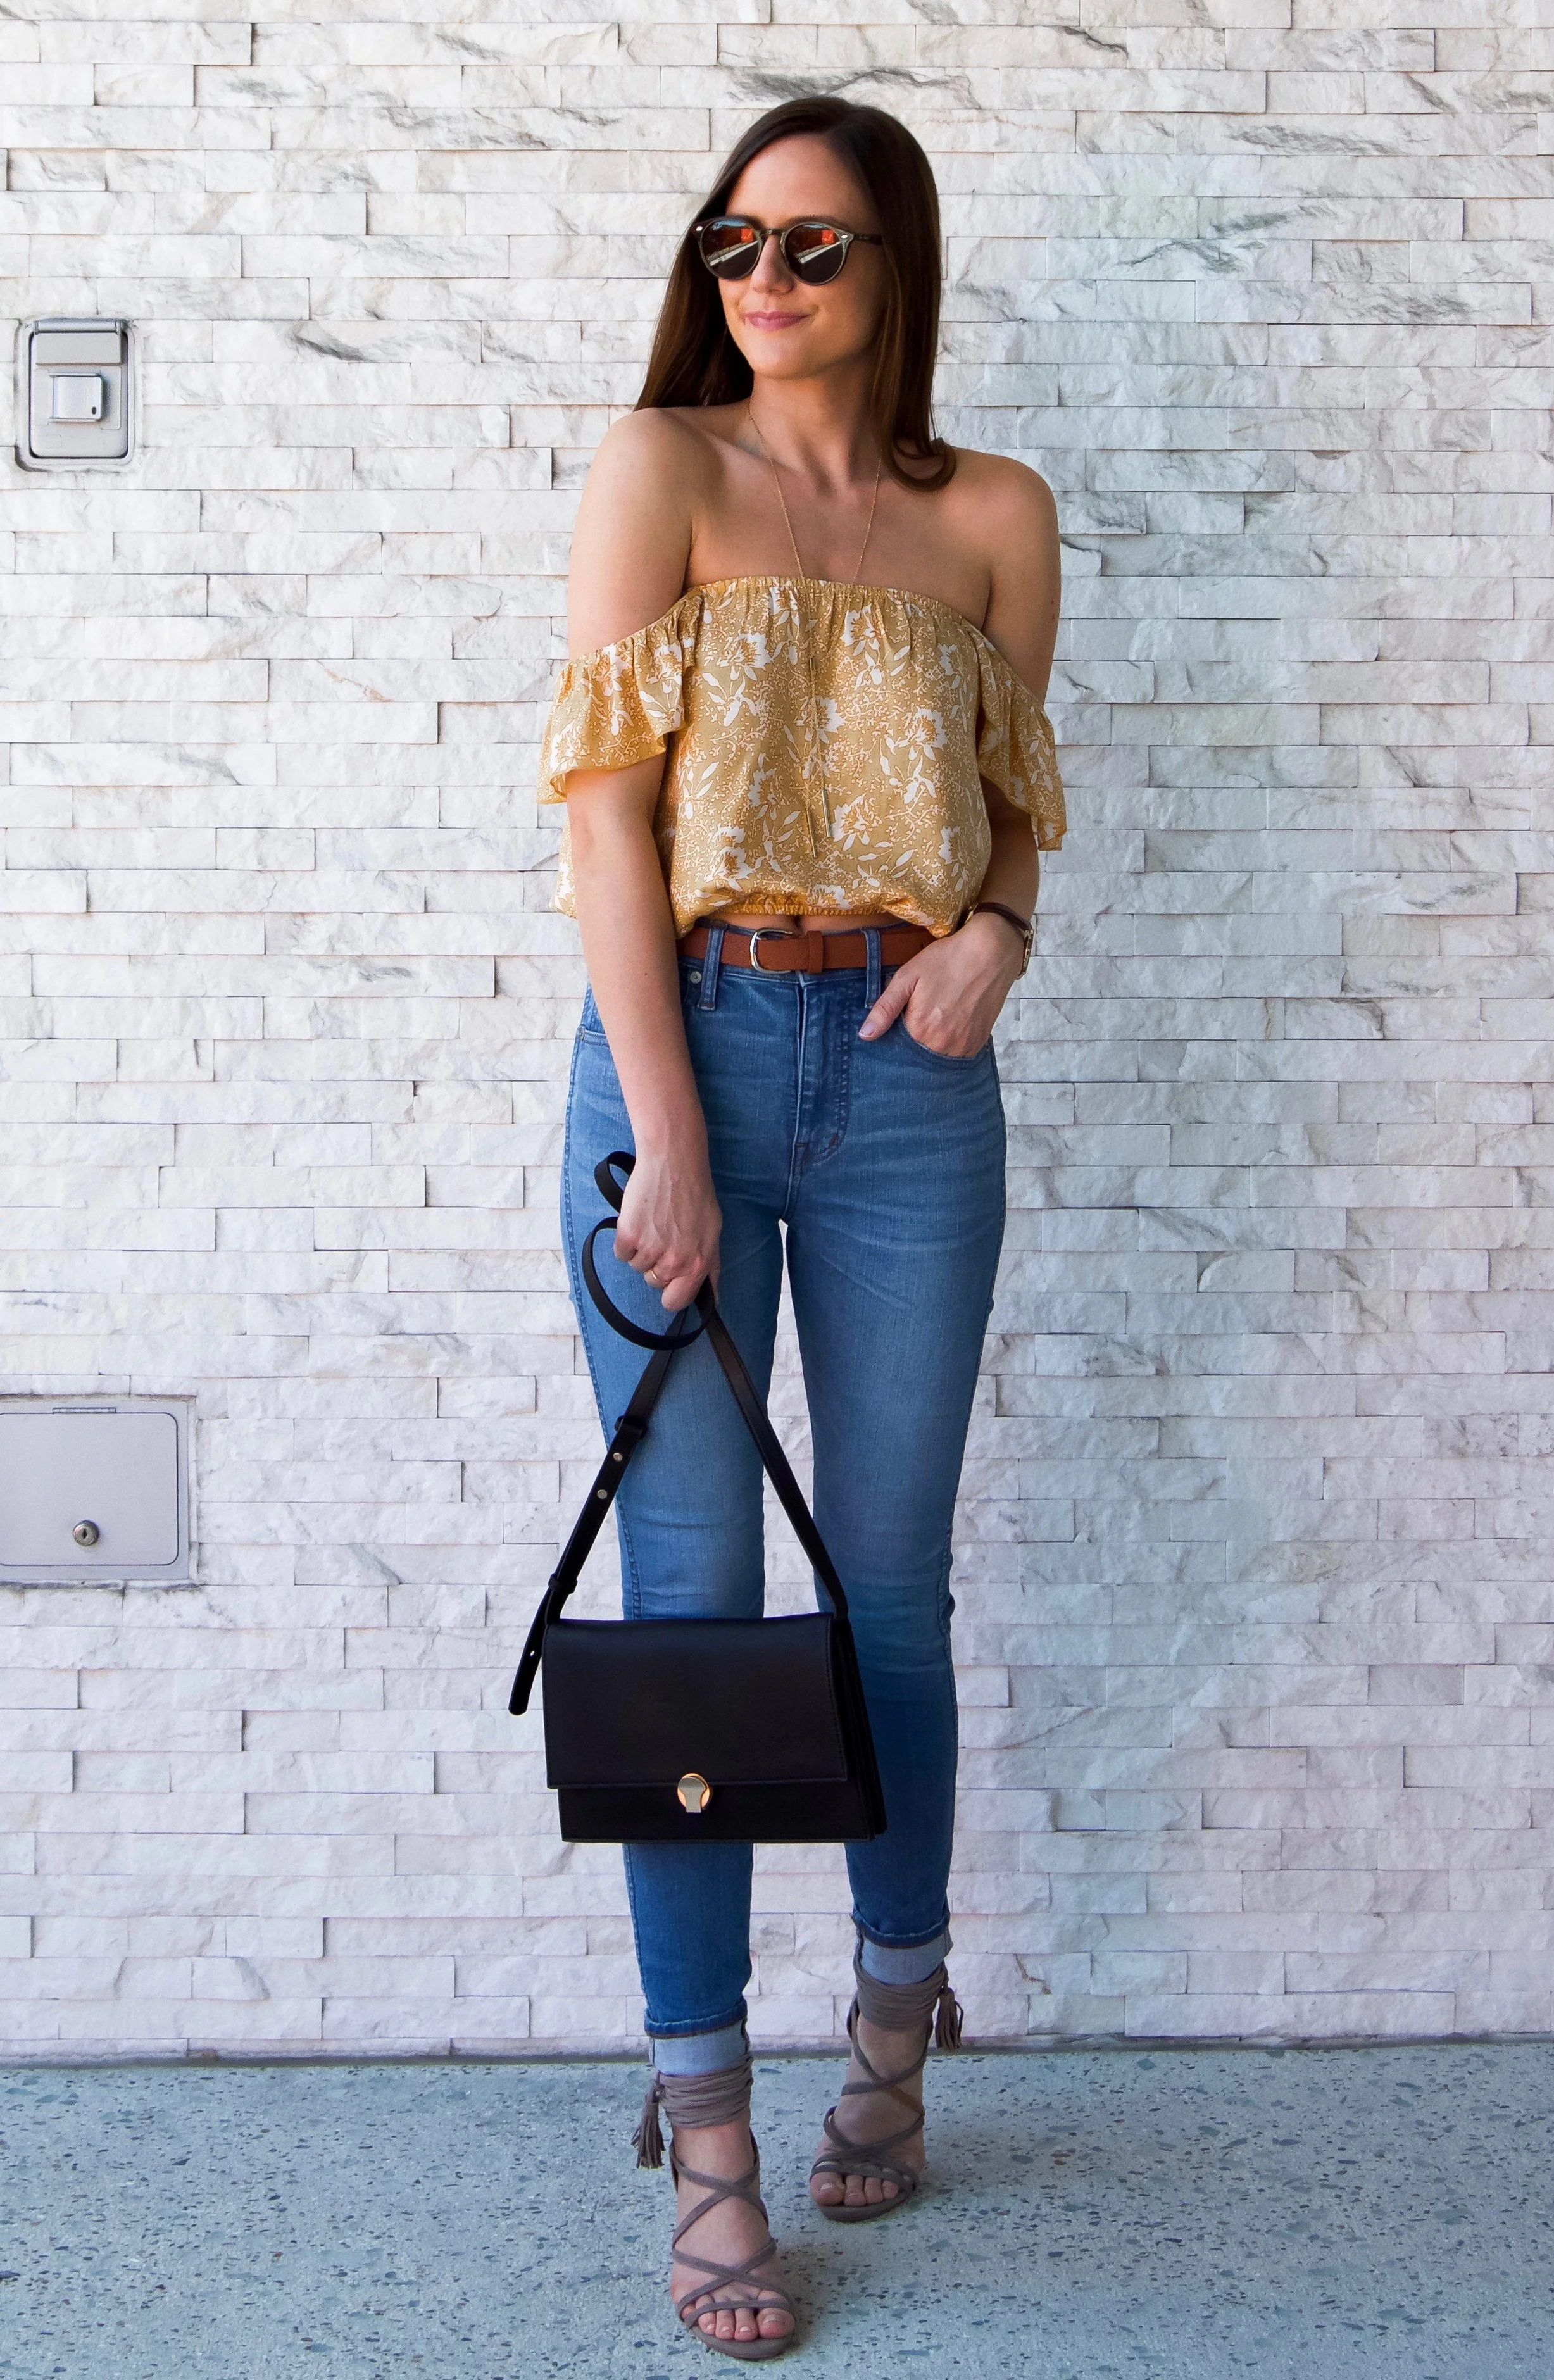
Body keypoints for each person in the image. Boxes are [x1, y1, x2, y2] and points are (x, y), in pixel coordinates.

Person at [539, 94, 1063, 2361]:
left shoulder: (995, 517)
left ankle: (890, 2014)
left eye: (813, 245)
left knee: (888, 1583)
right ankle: (711, 2131)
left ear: (892, 269)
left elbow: (1018, 799)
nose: (763, 278)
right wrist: (665, 1128)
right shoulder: (664, 469)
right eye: (733, 240)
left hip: (913, 1082)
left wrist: (996, 938)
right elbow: (602, 821)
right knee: (686, 1603)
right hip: (686, 1064)